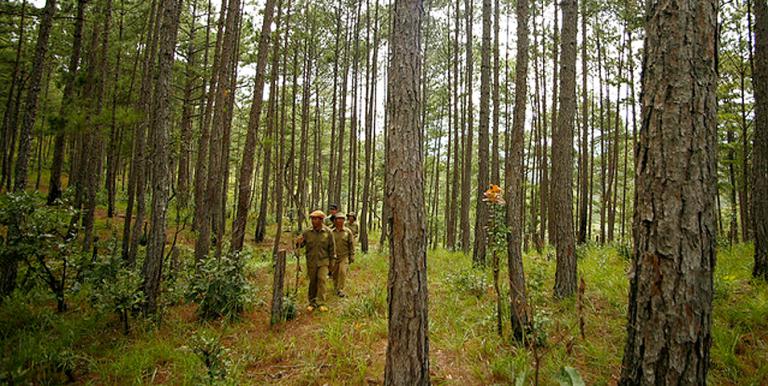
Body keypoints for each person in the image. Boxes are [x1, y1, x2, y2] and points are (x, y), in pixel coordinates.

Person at [295, 210, 336, 312]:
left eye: (316, 219)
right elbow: (300, 245)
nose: (313, 221)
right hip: (311, 261)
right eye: (312, 219)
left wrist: (332, 263)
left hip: (324, 261)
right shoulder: (307, 232)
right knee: (313, 281)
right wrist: (298, 242)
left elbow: (332, 248)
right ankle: (312, 302)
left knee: (322, 279)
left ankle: (321, 302)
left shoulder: (328, 232)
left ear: (321, 220)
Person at [330, 213, 355, 297]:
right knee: (335, 273)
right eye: (338, 219)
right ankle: (335, 287)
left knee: (342, 271)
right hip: (334, 257)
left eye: (342, 219)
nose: (340, 221)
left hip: (344, 256)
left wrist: (352, 255)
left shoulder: (348, 232)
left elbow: (351, 244)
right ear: (335, 221)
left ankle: (340, 289)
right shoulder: (331, 232)